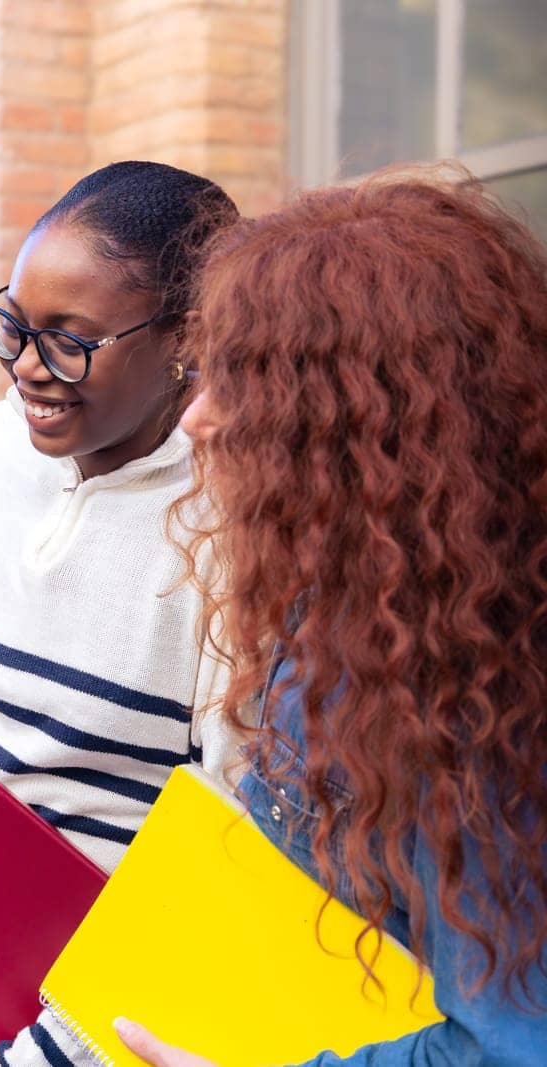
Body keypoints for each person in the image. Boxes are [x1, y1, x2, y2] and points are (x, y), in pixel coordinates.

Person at [112, 173, 547, 1065]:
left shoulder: (466, 694)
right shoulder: (390, 589)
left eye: (244, 382)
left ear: (361, 421)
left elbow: (516, 1045)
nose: (195, 418)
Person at [0, 161, 239, 1066]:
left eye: (69, 339)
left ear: (188, 337)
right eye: (13, 325)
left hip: (86, 1023)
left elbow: (218, 864)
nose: (24, 366)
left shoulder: (233, 536)